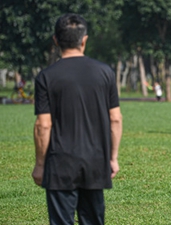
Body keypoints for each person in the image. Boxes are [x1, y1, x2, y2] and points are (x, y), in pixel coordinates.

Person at [31, 13, 123, 225]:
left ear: (55, 40)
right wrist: (113, 158)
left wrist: (40, 164)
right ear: (84, 40)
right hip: (95, 161)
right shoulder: (105, 72)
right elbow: (115, 119)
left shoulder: (46, 77)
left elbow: (43, 125)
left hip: (60, 163)